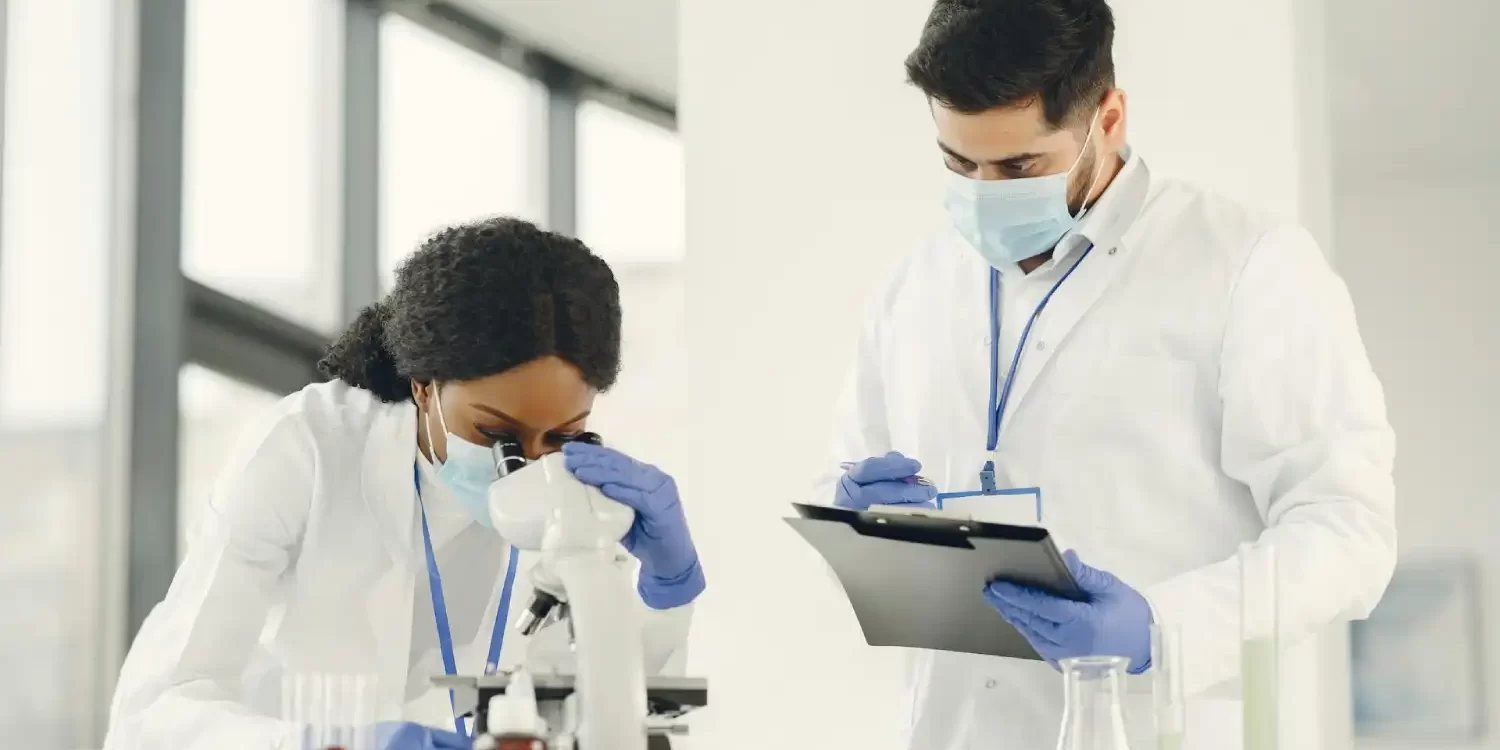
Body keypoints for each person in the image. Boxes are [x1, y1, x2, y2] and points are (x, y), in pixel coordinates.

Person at [820, 1, 1395, 747]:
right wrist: (860, 519)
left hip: (1157, 727)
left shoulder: (1247, 265)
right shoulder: (910, 289)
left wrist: (1162, 627)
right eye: (958, 164)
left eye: (1019, 166)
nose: (984, 193)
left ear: (1110, 118)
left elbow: (1349, 530)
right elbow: (847, 491)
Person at [104, 217, 705, 750]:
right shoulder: (306, 448)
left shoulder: (572, 501)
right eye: (496, 432)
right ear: (424, 386)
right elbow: (152, 718)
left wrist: (666, 591)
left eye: (564, 437)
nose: (526, 464)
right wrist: (323, 746)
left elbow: (618, 702)